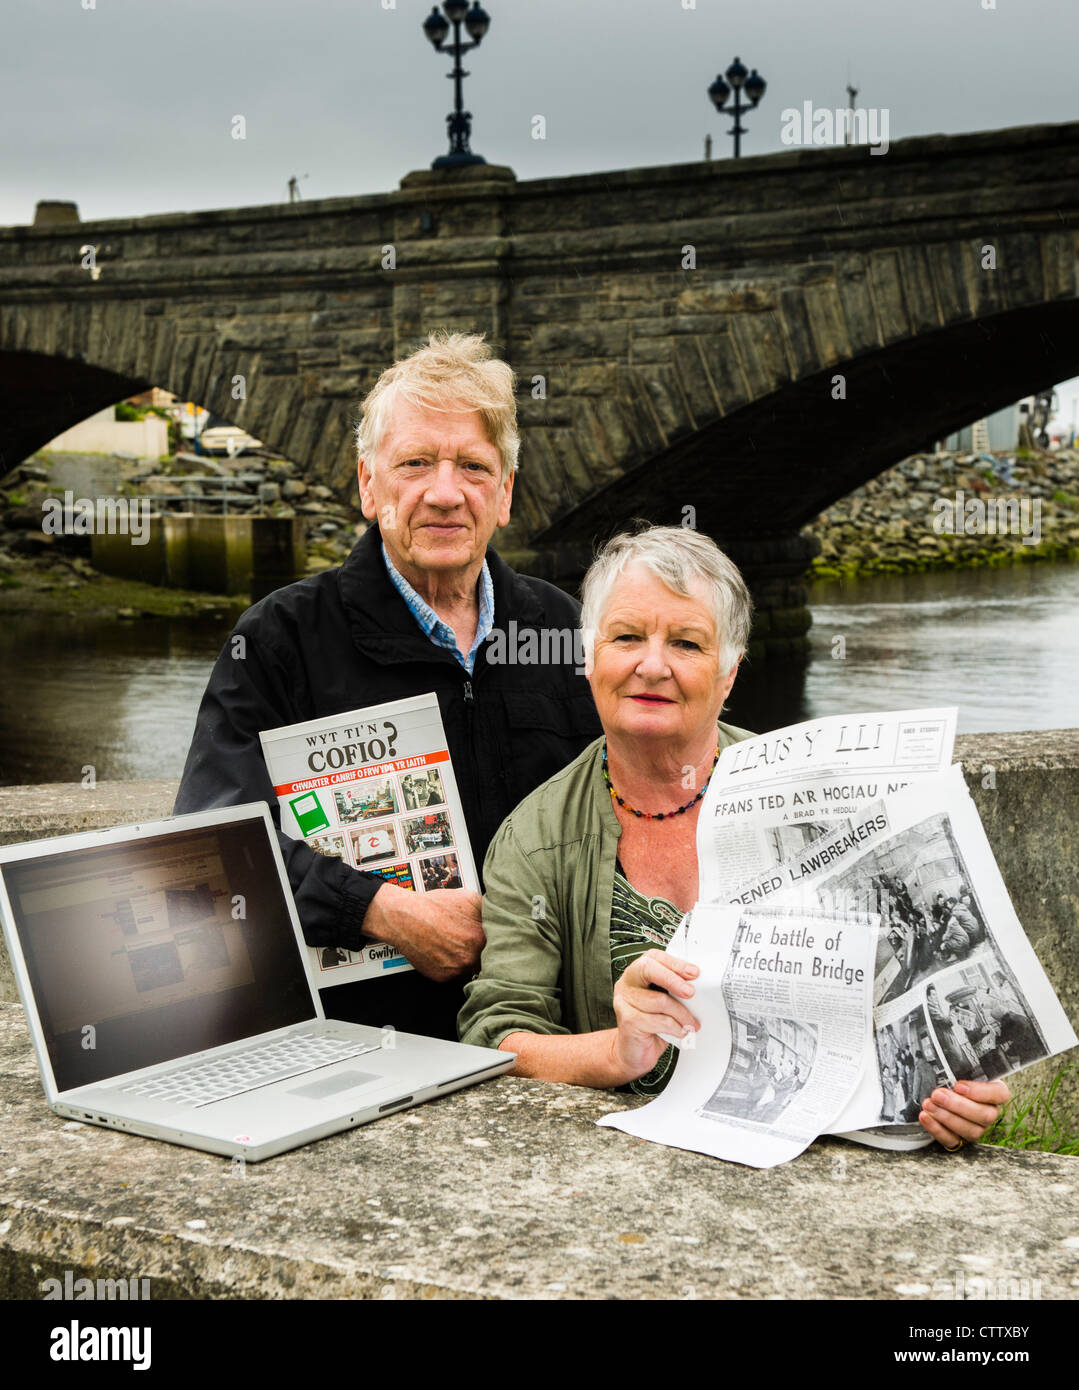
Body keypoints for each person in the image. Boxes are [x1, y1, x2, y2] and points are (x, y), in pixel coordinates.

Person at [458, 525, 1009, 1151]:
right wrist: (616, 1052)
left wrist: (955, 1094)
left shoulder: (819, 795)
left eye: (687, 643)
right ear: (589, 659)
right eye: (627, 636)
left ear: (728, 674)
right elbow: (495, 1036)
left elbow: (902, 989)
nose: (652, 665)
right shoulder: (533, 839)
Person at [174, 331, 601, 1038]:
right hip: (361, 1041)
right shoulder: (281, 638)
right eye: (415, 463)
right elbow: (210, 841)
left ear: (504, 494)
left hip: (546, 1034)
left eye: (472, 465)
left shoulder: (561, 626)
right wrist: (377, 909)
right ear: (369, 485)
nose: (444, 492)